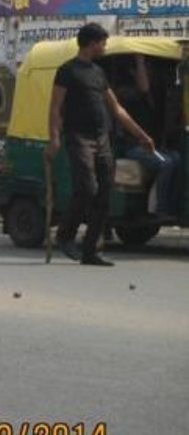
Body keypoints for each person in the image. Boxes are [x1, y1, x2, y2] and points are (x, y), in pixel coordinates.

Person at [48, 23, 154, 266]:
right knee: (87, 188)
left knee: (104, 195)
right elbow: (55, 108)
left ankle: (90, 250)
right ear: (92, 43)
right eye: (103, 42)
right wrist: (54, 138)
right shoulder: (67, 70)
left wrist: (141, 135)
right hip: (79, 137)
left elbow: (116, 109)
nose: (105, 47)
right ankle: (65, 236)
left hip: (102, 138)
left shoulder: (98, 72)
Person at [112, 54, 179, 217]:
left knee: (176, 157)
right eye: (145, 69)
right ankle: (160, 208)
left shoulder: (154, 92)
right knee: (166, 164)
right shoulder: (125, 92)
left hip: (149, 145)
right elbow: (143, 88)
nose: (149, 72)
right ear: (132, 71)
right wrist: (139, 60)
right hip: (132, 146)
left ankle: (168, 202)